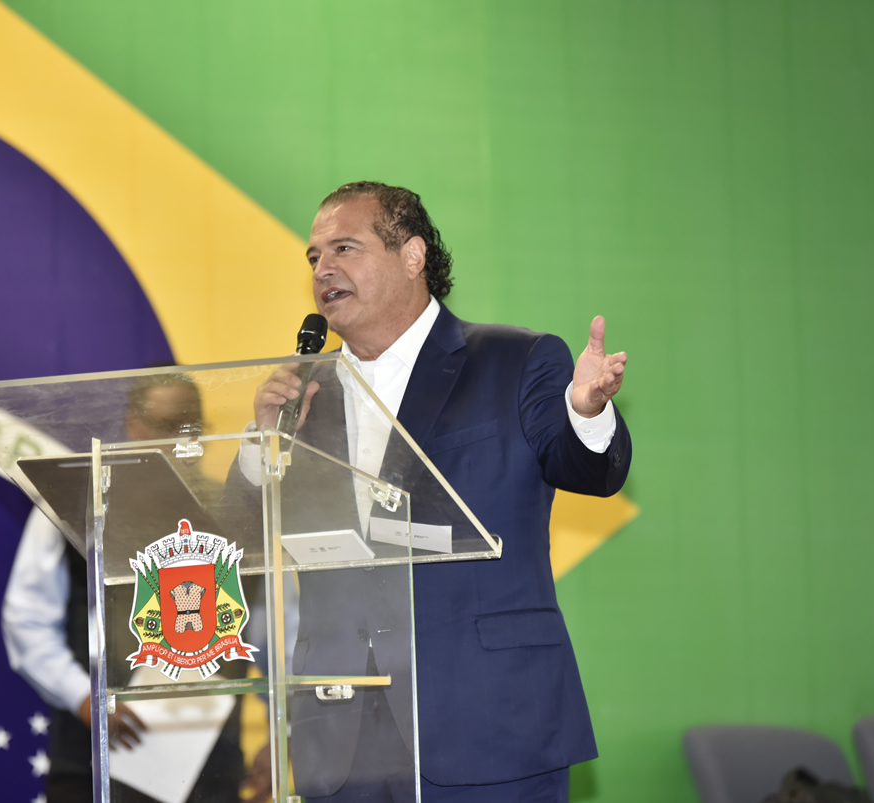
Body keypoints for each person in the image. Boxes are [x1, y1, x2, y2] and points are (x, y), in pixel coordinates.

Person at [245, 182, 632, 802]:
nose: (322, 269)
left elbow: (588, 471)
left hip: (486, 718)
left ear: (412, 256)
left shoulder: (513, 361)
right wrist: (260, 446)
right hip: (341, 737)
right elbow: (243, 540)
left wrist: (586, 416)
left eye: (344, 248)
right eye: (314, 256)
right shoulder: (304, 395)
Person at [2, 374, 245, 803]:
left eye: (191, 427)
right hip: (93, 757)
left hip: (208, 767)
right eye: (165, 425)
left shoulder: (234, 513)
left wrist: (284, 733)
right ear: (133, 425)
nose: (180, 440)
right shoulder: (76, 505)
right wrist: (85, 698)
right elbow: (27, 620)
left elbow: (276, 627)